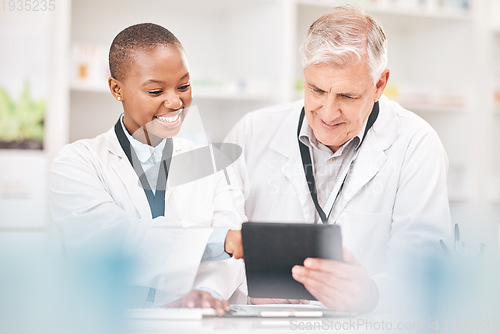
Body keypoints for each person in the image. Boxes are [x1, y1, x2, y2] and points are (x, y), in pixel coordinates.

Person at [225, 5, 452, 313]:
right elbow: (216, 237)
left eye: (347, 96)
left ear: (379, 85)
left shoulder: (416, 144)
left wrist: (372, 295)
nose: (329, 113)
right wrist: (246, 287)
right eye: (317, 90)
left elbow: (425, 270)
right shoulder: (253, 132)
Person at [49, 23, 244, 315]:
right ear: (117, 89)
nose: (176, 102)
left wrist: (205, 292)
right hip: (108, 321)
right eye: (156, 91)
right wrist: (221, 240)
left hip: (192, 321)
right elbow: (111, 239)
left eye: (184, 86)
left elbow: (236, 251)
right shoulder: (77, 162)